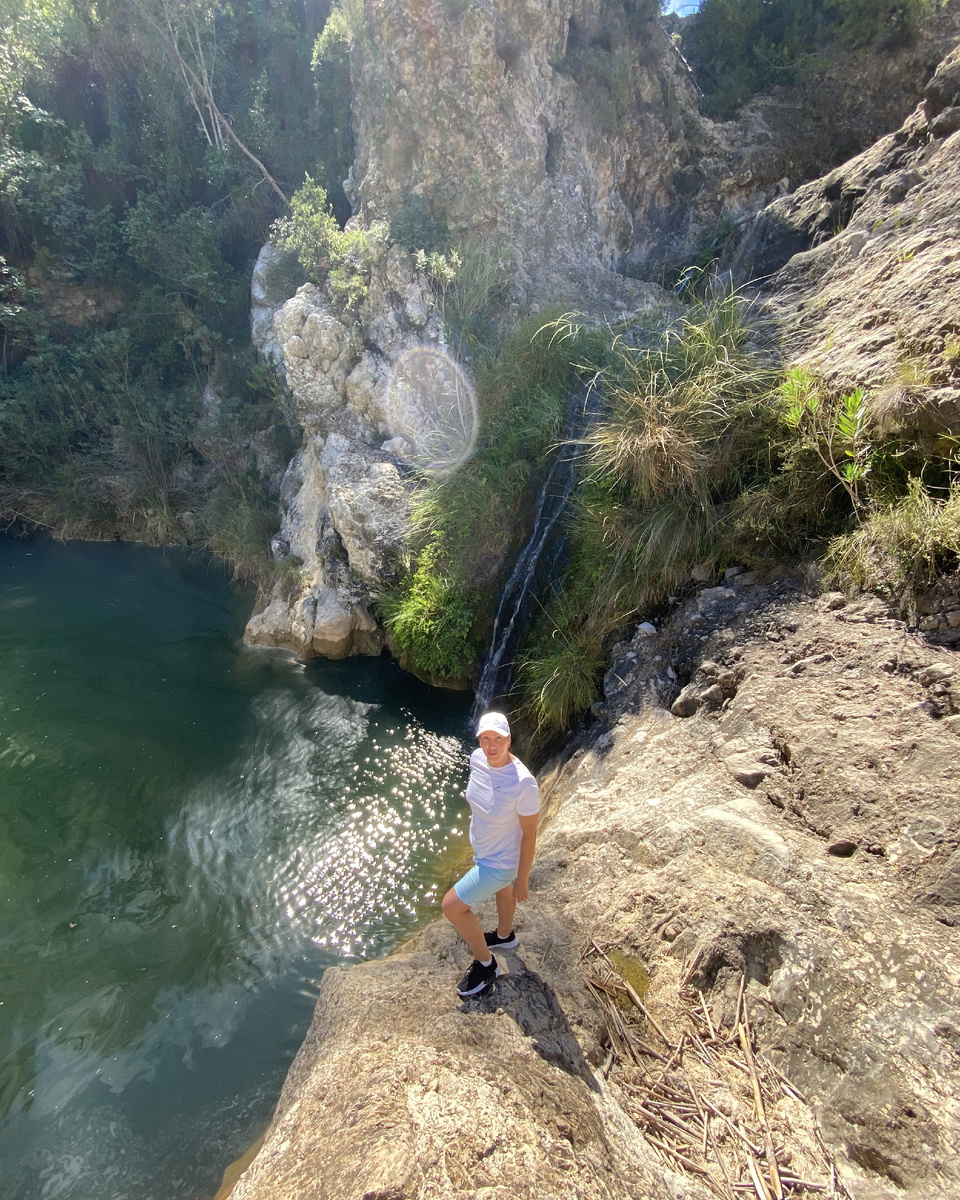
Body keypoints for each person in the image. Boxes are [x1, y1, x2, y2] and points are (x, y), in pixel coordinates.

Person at [441, 711, 540, 998]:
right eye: (485, 738)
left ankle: (487, 966)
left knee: (452, 907)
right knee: (500, 891)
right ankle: (504, 936)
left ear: (509, 740)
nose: (491, 745)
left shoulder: (523, 783)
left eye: (498, 739)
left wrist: (522, 878)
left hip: (500, 863)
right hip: (484, 846)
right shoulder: (476, 759)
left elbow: (529, 834)